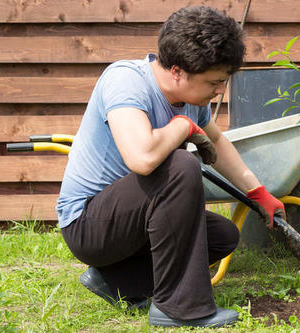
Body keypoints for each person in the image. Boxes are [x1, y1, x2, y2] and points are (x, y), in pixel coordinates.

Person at [56, 6, 285, 328]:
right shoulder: (126, 80)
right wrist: (182, 126)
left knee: (220, 236)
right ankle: (179, 308)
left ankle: (117, 281)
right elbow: (142, 158)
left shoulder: (192, 99)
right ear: (177, 71)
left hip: (134, 221)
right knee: (179, 164)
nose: (220, 91)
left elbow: (217, 141)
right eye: (214, 82)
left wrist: (258, 192)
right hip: (90, 226)